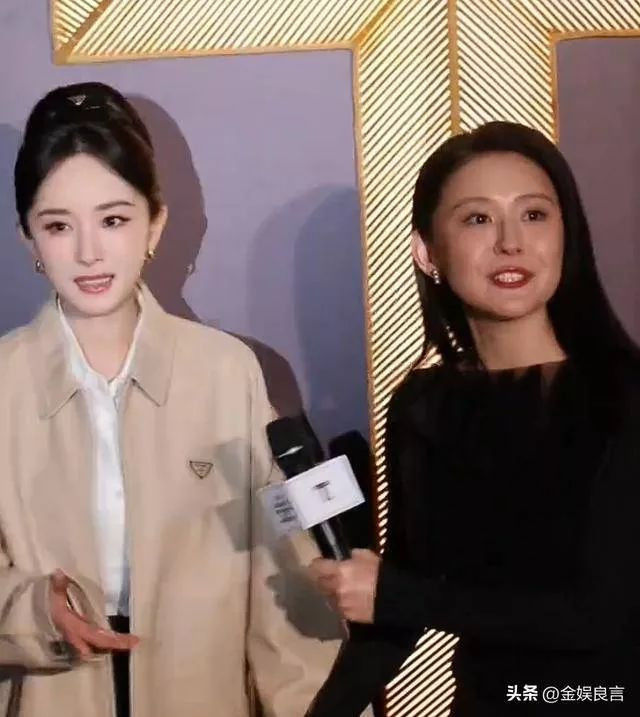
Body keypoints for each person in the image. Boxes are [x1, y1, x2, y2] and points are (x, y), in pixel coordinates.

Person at [0, 81, 343, 717]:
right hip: (49, 692)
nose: (89, 252)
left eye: (113, 219)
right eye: (58, 226)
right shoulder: (4, 384)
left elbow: (287, 570)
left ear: (155, 223)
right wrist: (31, 612)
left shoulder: (228, 375)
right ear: (28, 239)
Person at [307, 121, 640, 715]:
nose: (511, 242)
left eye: (534, 215)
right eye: (478, 219)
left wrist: (401, 596)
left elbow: (597, 613)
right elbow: (396, 609)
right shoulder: (424, 404)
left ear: (566, 235)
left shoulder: (623, 393)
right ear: (427, 252)